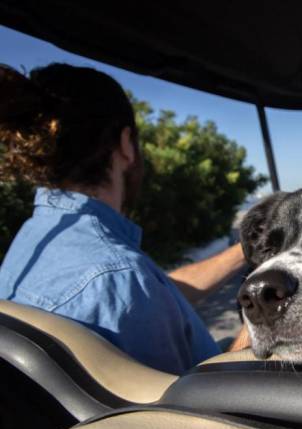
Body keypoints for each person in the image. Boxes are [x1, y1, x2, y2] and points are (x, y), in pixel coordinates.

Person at [0, 63, 249, 374]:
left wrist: (246, 249)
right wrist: (266, 319)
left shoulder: (34, 241)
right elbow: (199, 413)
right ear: (126, 144)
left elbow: (153, 296)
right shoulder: (118, 273)